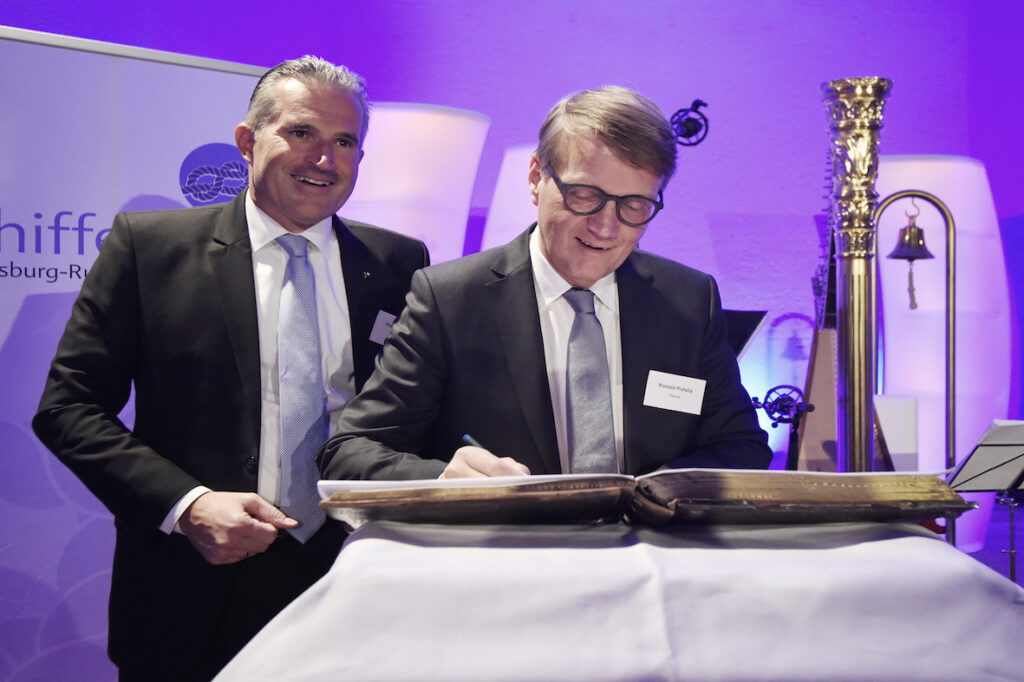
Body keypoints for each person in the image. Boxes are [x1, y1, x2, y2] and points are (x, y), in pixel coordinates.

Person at [32, 56, 429, 680]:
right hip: (192, 585)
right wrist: (186, 505)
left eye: (344, 141)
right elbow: (68, 409)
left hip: (354, 579)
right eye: (301, 132)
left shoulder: (399, 262)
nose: (324, 158)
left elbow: (412, 410)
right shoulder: (149, 249)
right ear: (247, 141)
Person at [318, 85, 770, 483]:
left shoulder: (689, 300)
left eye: (634, 205)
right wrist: (444, 478)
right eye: (585, 196)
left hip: (649, 546)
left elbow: (741, 446)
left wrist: (660, 491)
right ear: (537, 177)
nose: (606, 227)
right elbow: (351, 452)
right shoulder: (451, 300)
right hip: (502, 548)